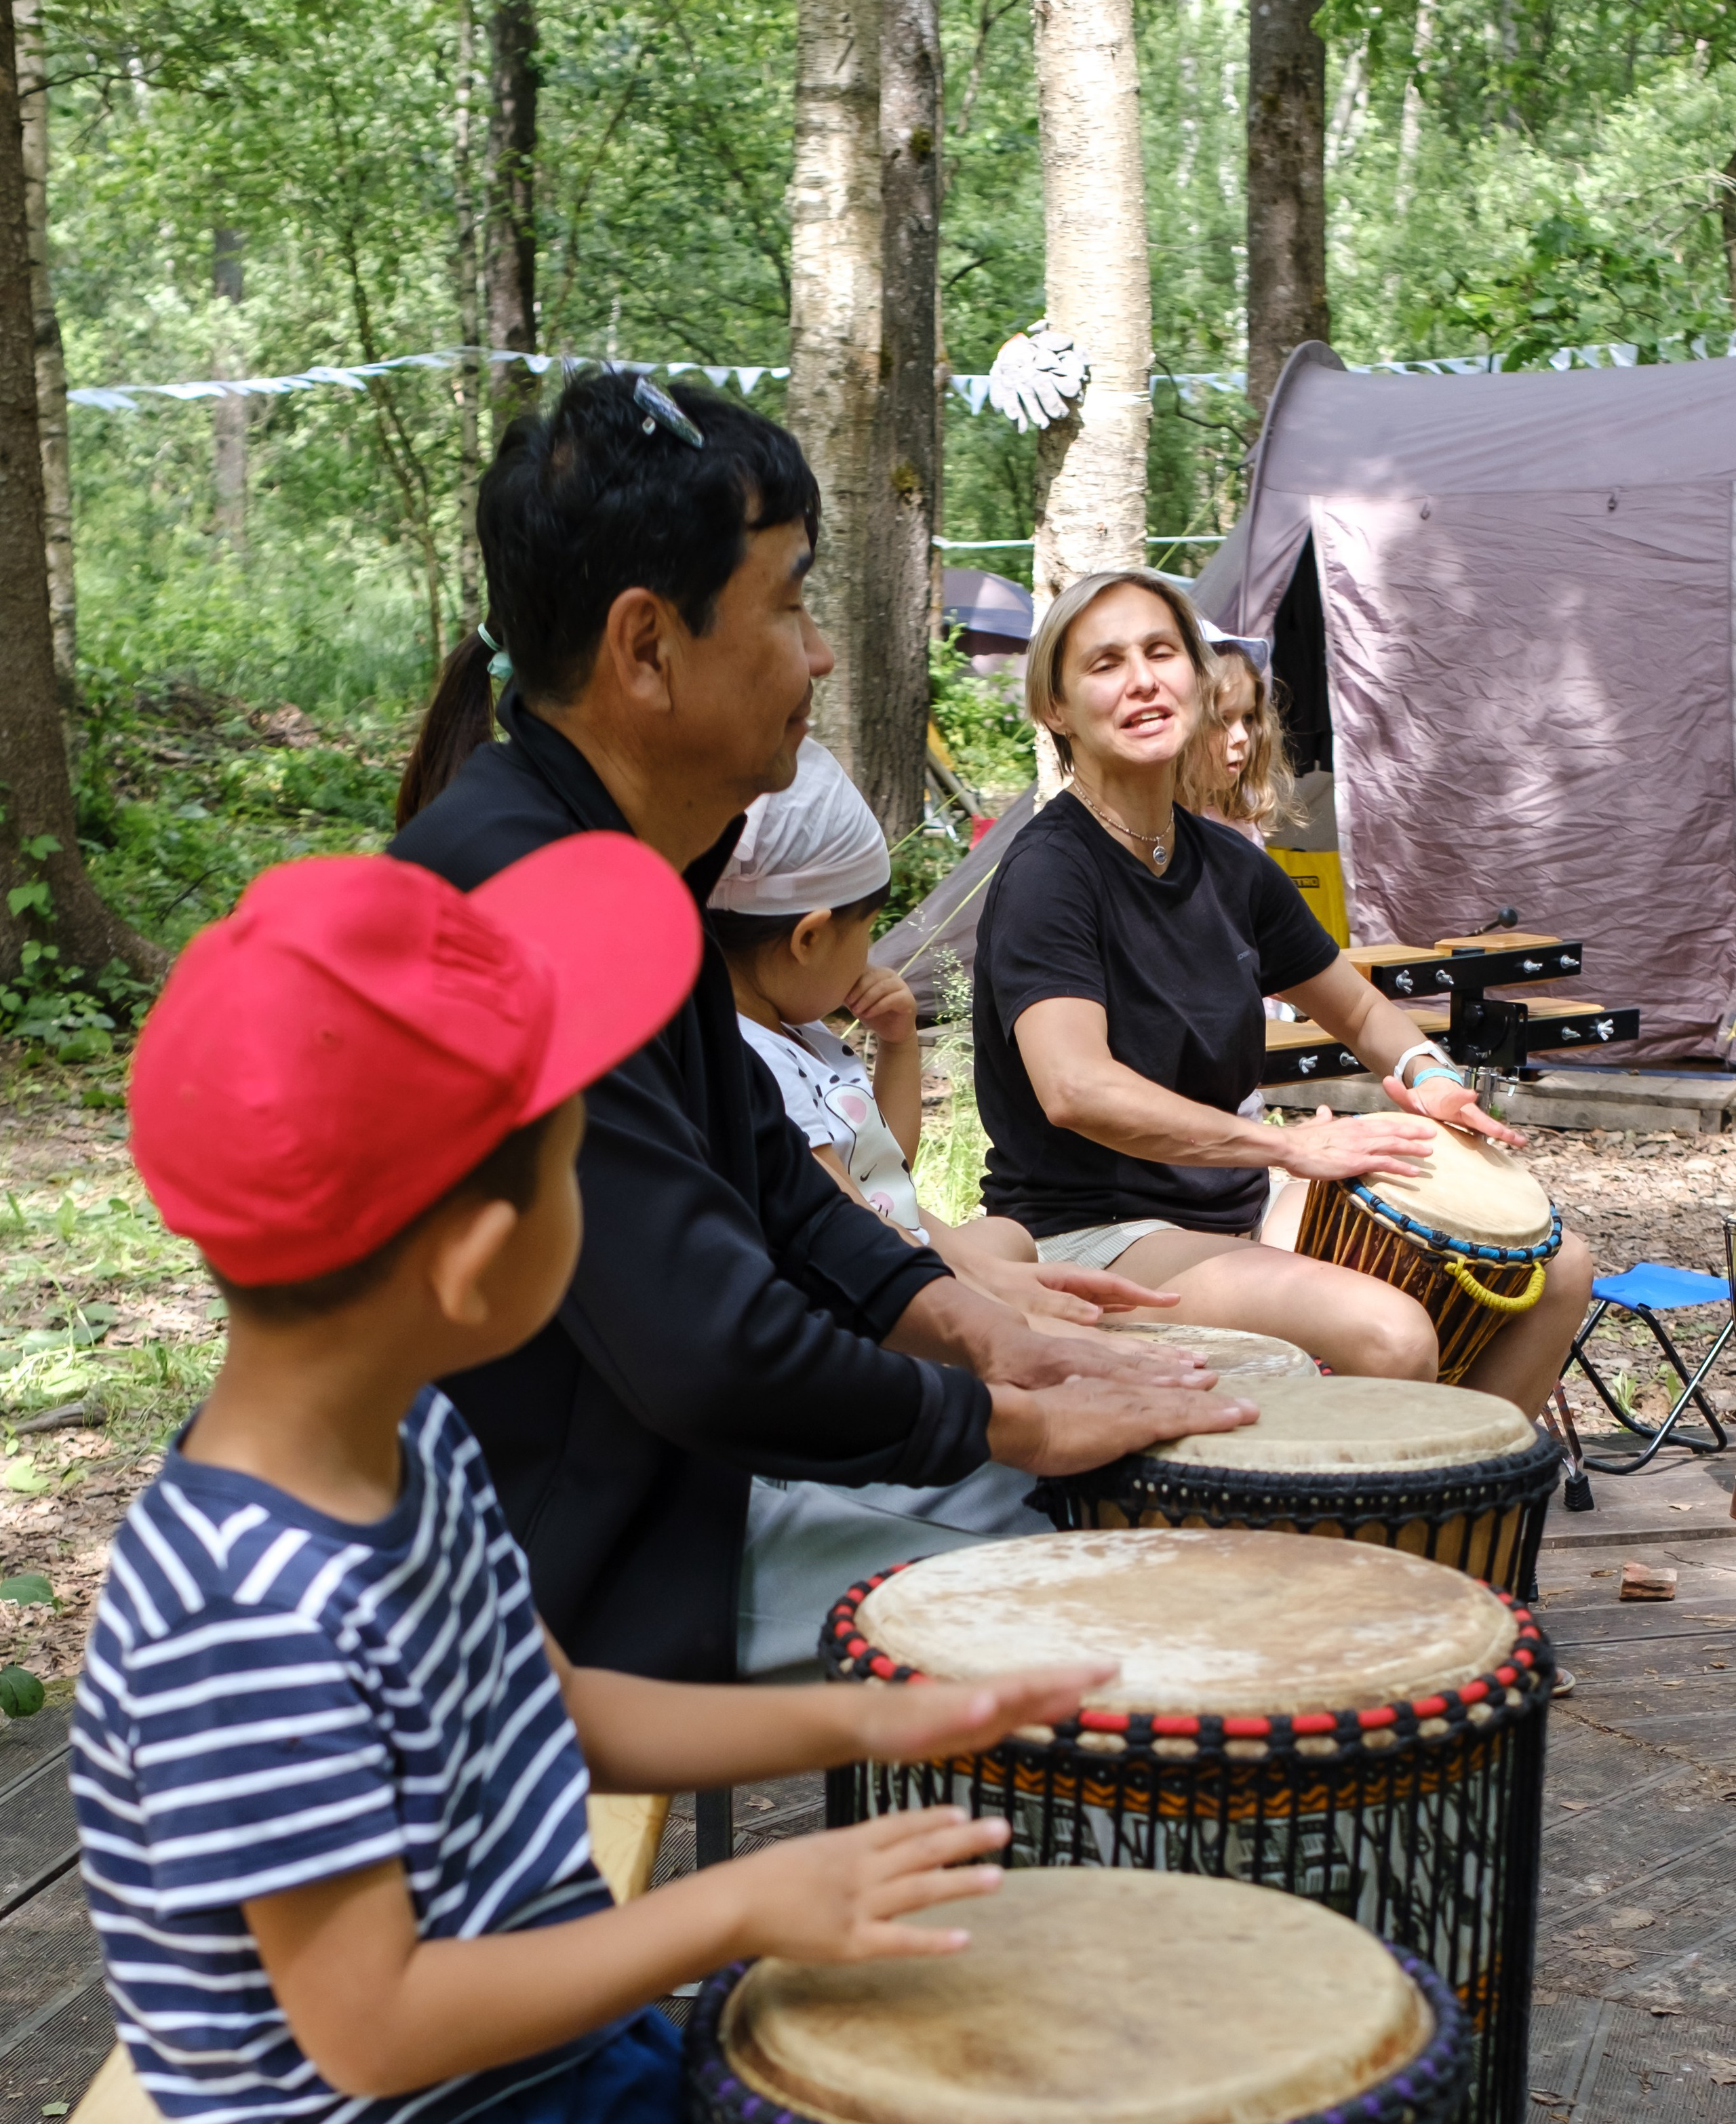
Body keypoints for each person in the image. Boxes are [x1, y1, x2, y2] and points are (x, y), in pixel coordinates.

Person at [79, 840, 1122, 2124]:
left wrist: (879, 1717)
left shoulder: (404, 1450)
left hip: (538, 2035)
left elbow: (548, 1708)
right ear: (489, 1263)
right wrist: (730, 1910)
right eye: (588, 1164)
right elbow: (373, 2028)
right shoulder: (250, 1613)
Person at [391, 377, 1252, 1684]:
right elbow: (712, 1356)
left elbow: (778, 1192)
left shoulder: (609, 866)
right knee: (1126, 1552)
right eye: (789, 602)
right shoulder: (534, 908)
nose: (824, 653)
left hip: (657, 1488)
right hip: (562, 1564)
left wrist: (983, 1330)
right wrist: (1002, 1422)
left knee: (1135, 1477)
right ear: (645, 647)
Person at [968, 568, 1592, 1421]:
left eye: (1161, 652)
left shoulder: (1229, 866)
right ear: (1056, 709)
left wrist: (1427, 1074)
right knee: (1389, 1334)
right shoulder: (1052, 874)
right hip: (1093, 1233)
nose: (1144, 680)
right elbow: (1077, 1091)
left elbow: (1363, 1011)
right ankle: (1361, 1537)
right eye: (1105, 664)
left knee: (1560, 1271)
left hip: (1236, 1209)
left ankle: (1450, 1517)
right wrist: (1292, 1151)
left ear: (1195, 674)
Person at [712, 733, 1166, 1331]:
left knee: (1005, 1234)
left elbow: (886, 1169)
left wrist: (898, 1043)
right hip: (869, 1285)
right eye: (868, 929)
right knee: (1043, 1308)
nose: (872, 953)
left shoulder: (802, 1034)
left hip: (898, 1242)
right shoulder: (760, 1062)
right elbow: (848, 1225)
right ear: (809, 939)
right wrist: (981, 1290)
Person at [1180, 620, 1292, 848]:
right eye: (1222, 720)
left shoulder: (1241, 815)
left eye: (1249, 718)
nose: (1242, 736)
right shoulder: (1159, 826)